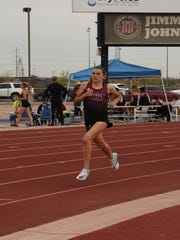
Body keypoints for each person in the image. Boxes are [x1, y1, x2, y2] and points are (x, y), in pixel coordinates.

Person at [75, 66, 121, 181]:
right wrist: (85, 95)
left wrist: (114, 102)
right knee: (100, 144)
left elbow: (118, 96)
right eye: (93, 73)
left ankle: (86, 169)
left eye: (98, 74)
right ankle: (112, 156)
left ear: (103, 76)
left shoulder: (108, 88)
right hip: (89, 119)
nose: (95, 75)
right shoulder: (85, 86)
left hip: (102, 119)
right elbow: (75, 102)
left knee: (86, 139)